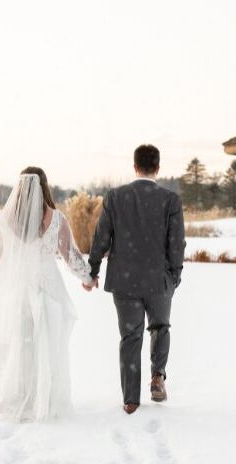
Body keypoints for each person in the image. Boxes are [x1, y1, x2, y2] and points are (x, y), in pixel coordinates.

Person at [0, 167, 95, 422]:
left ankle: (12, 397)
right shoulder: (56, 219)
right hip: (46, 293)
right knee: (42, 349)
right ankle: (38, 400)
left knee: (11, 346)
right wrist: (88, 278)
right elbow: (70, 255)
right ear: (45, 187)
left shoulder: (2, 220)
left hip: (11, 293)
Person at [87, 144, 186, 414]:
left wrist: (92, 270)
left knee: (130, 337)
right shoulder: (170, 200)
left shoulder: (116, 197)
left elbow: (101, 238)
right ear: (157, 168)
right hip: (159, 279)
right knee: (160, 327)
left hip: (125, 280)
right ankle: (158, 376)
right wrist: (174, 276)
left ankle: (131, 399)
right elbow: (176, 243)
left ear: (134, 167)